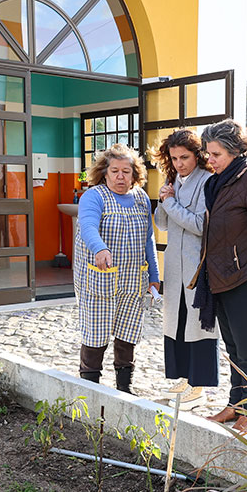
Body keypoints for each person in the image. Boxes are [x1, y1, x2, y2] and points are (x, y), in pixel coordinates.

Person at [191, 119, 247, 431]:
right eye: (208, 153)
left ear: (234, 151)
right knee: (232, 349)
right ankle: (235, 405)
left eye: (215, 154)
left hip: (243, 279)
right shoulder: (215, 183)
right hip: (219, 278)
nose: (209, 159)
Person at [73, 144, 160, 392]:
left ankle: (124, 388)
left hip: (133, 282)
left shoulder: (142, 198)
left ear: (135, 174)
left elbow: (148, 239)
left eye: (126, 171)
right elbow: (88, 226)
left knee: (128, 334)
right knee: (96, 335)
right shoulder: (94, 196)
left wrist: (154, 276)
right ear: (105, 172)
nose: (120, 177)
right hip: (99, 282)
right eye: (115, 171)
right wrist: (100, 249)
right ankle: (90, 390)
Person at [153, 130, 217, 409]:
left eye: (185, 157)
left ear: (197, 155)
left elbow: (201, 226)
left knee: (198, 324)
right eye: (174, 158)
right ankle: (185, 379)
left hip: (198, 266)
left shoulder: (207, 181)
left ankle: (199, 386)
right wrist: (162, 199)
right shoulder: (174, 180)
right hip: (175, 266)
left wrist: (170, 203)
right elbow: (163, 224)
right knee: (177, 322)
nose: (179, 163)